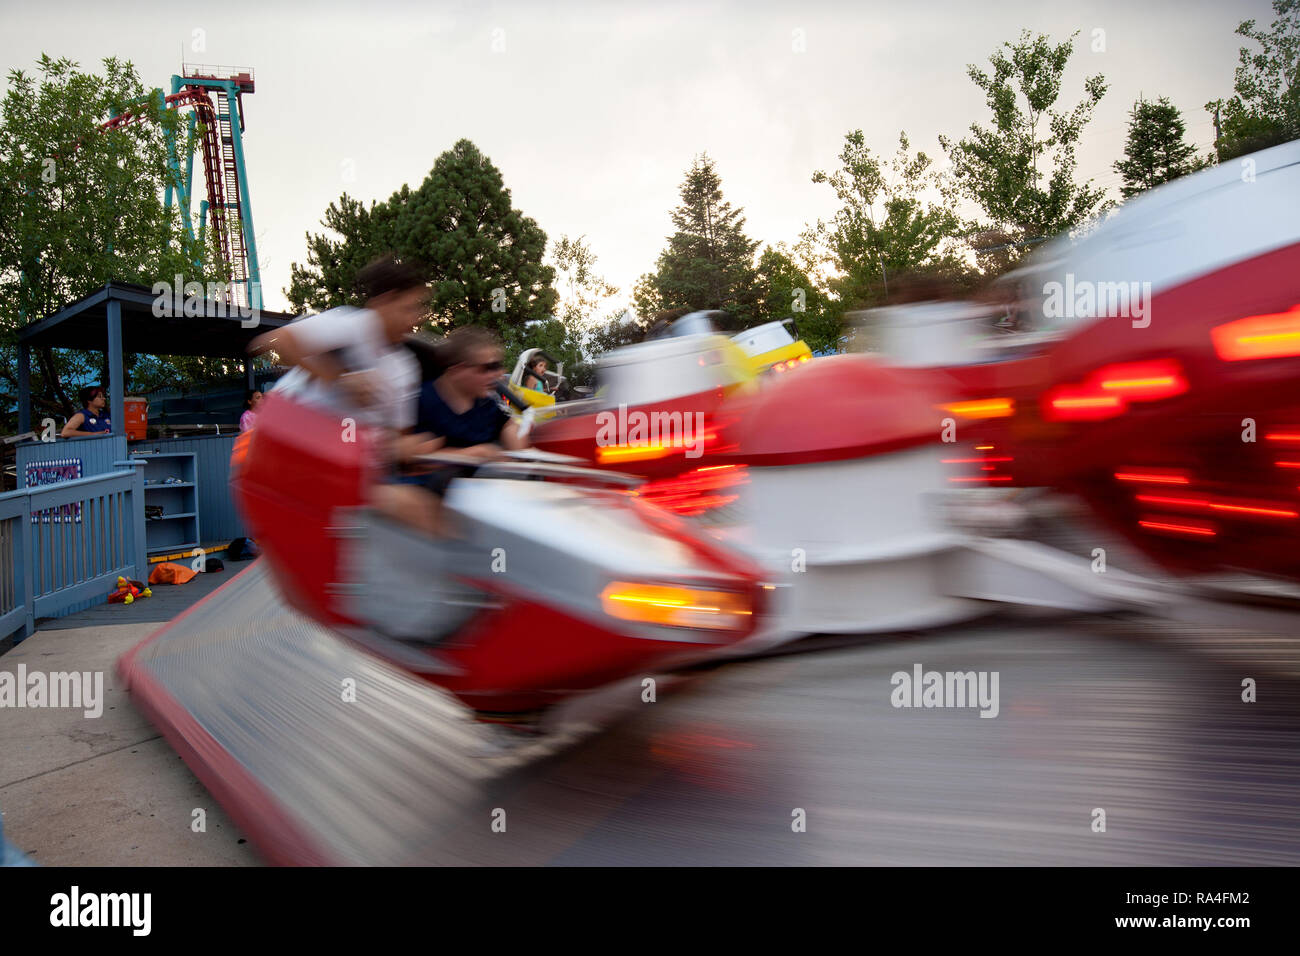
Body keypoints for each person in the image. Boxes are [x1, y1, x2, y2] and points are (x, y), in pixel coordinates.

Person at [379, 326, 528, 535]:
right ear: (457, 370)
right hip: (429, 501)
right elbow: (406, 457)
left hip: (481, 499)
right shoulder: (422, 401)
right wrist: (473, 454)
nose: (499, 374)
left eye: (499, 366)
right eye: (488, 367)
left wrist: (518, 453)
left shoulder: (485, 404)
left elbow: (509, 424)